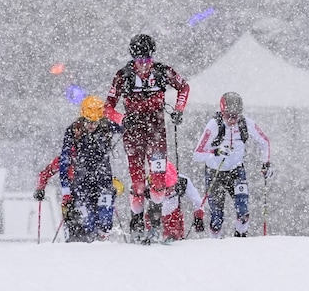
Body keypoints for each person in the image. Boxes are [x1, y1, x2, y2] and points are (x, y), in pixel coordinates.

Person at [103, 33, 189, 243]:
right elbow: (107, 108)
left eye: (147, 59)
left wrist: (179, 110)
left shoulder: (162, 71)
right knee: (139, 185)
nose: (144, 64)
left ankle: (155, 222)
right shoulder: (123, 76)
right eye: (139, 60)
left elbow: (184, 87)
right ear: (133, 57)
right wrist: (122, 119)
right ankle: (137, 223)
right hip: (133, 135)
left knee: (159, 184)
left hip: (156, 133)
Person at [193, 91, 271, 238]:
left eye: (235, 116)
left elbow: (264, 141)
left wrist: (266, 163)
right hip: (215, 173)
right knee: (217, 218)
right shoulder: (214, 125)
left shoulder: (245, 124)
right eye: (228, 115)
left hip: (236, 171)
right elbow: (197, 154)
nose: (232, 120)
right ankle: (216, 244)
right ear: (222, 112)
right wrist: (216, 152)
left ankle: (240, 239)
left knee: (243, 212)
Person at [59, 95, 123, 242]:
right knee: (88, 220)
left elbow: (125, 126)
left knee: (105, 217)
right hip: (81, 181)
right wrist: (65, 189)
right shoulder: (73, 130)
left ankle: (104, 237)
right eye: (88, 122)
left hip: (103, 178)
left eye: (95, 122)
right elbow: (64, 160)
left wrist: (128, 121)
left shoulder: (107, 126)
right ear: (83, 117)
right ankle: (91, 240)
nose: (92, 126)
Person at [161, 161, 205, 242]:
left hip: (173, 213)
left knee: (175, 217)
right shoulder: (149, 182)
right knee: (153, 213)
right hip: (155, 211)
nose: (167, 191)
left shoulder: (183, 182)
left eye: (169, 187)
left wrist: (198, 217)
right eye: (164, 187)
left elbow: (197, 200)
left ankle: (174, 236)